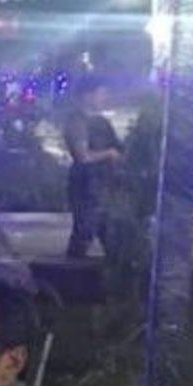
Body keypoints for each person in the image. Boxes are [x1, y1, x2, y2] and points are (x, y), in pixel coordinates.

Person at [64, 76, 124, 259]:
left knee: (113, 238)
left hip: (105, 187)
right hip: (86, 187)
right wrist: (109, 154)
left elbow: (120, 150)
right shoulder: (76, 121)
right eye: (101, 93)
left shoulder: (102, 122)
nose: (104, 98)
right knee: (84, 232)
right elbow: (82, 156)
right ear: (87, 95)